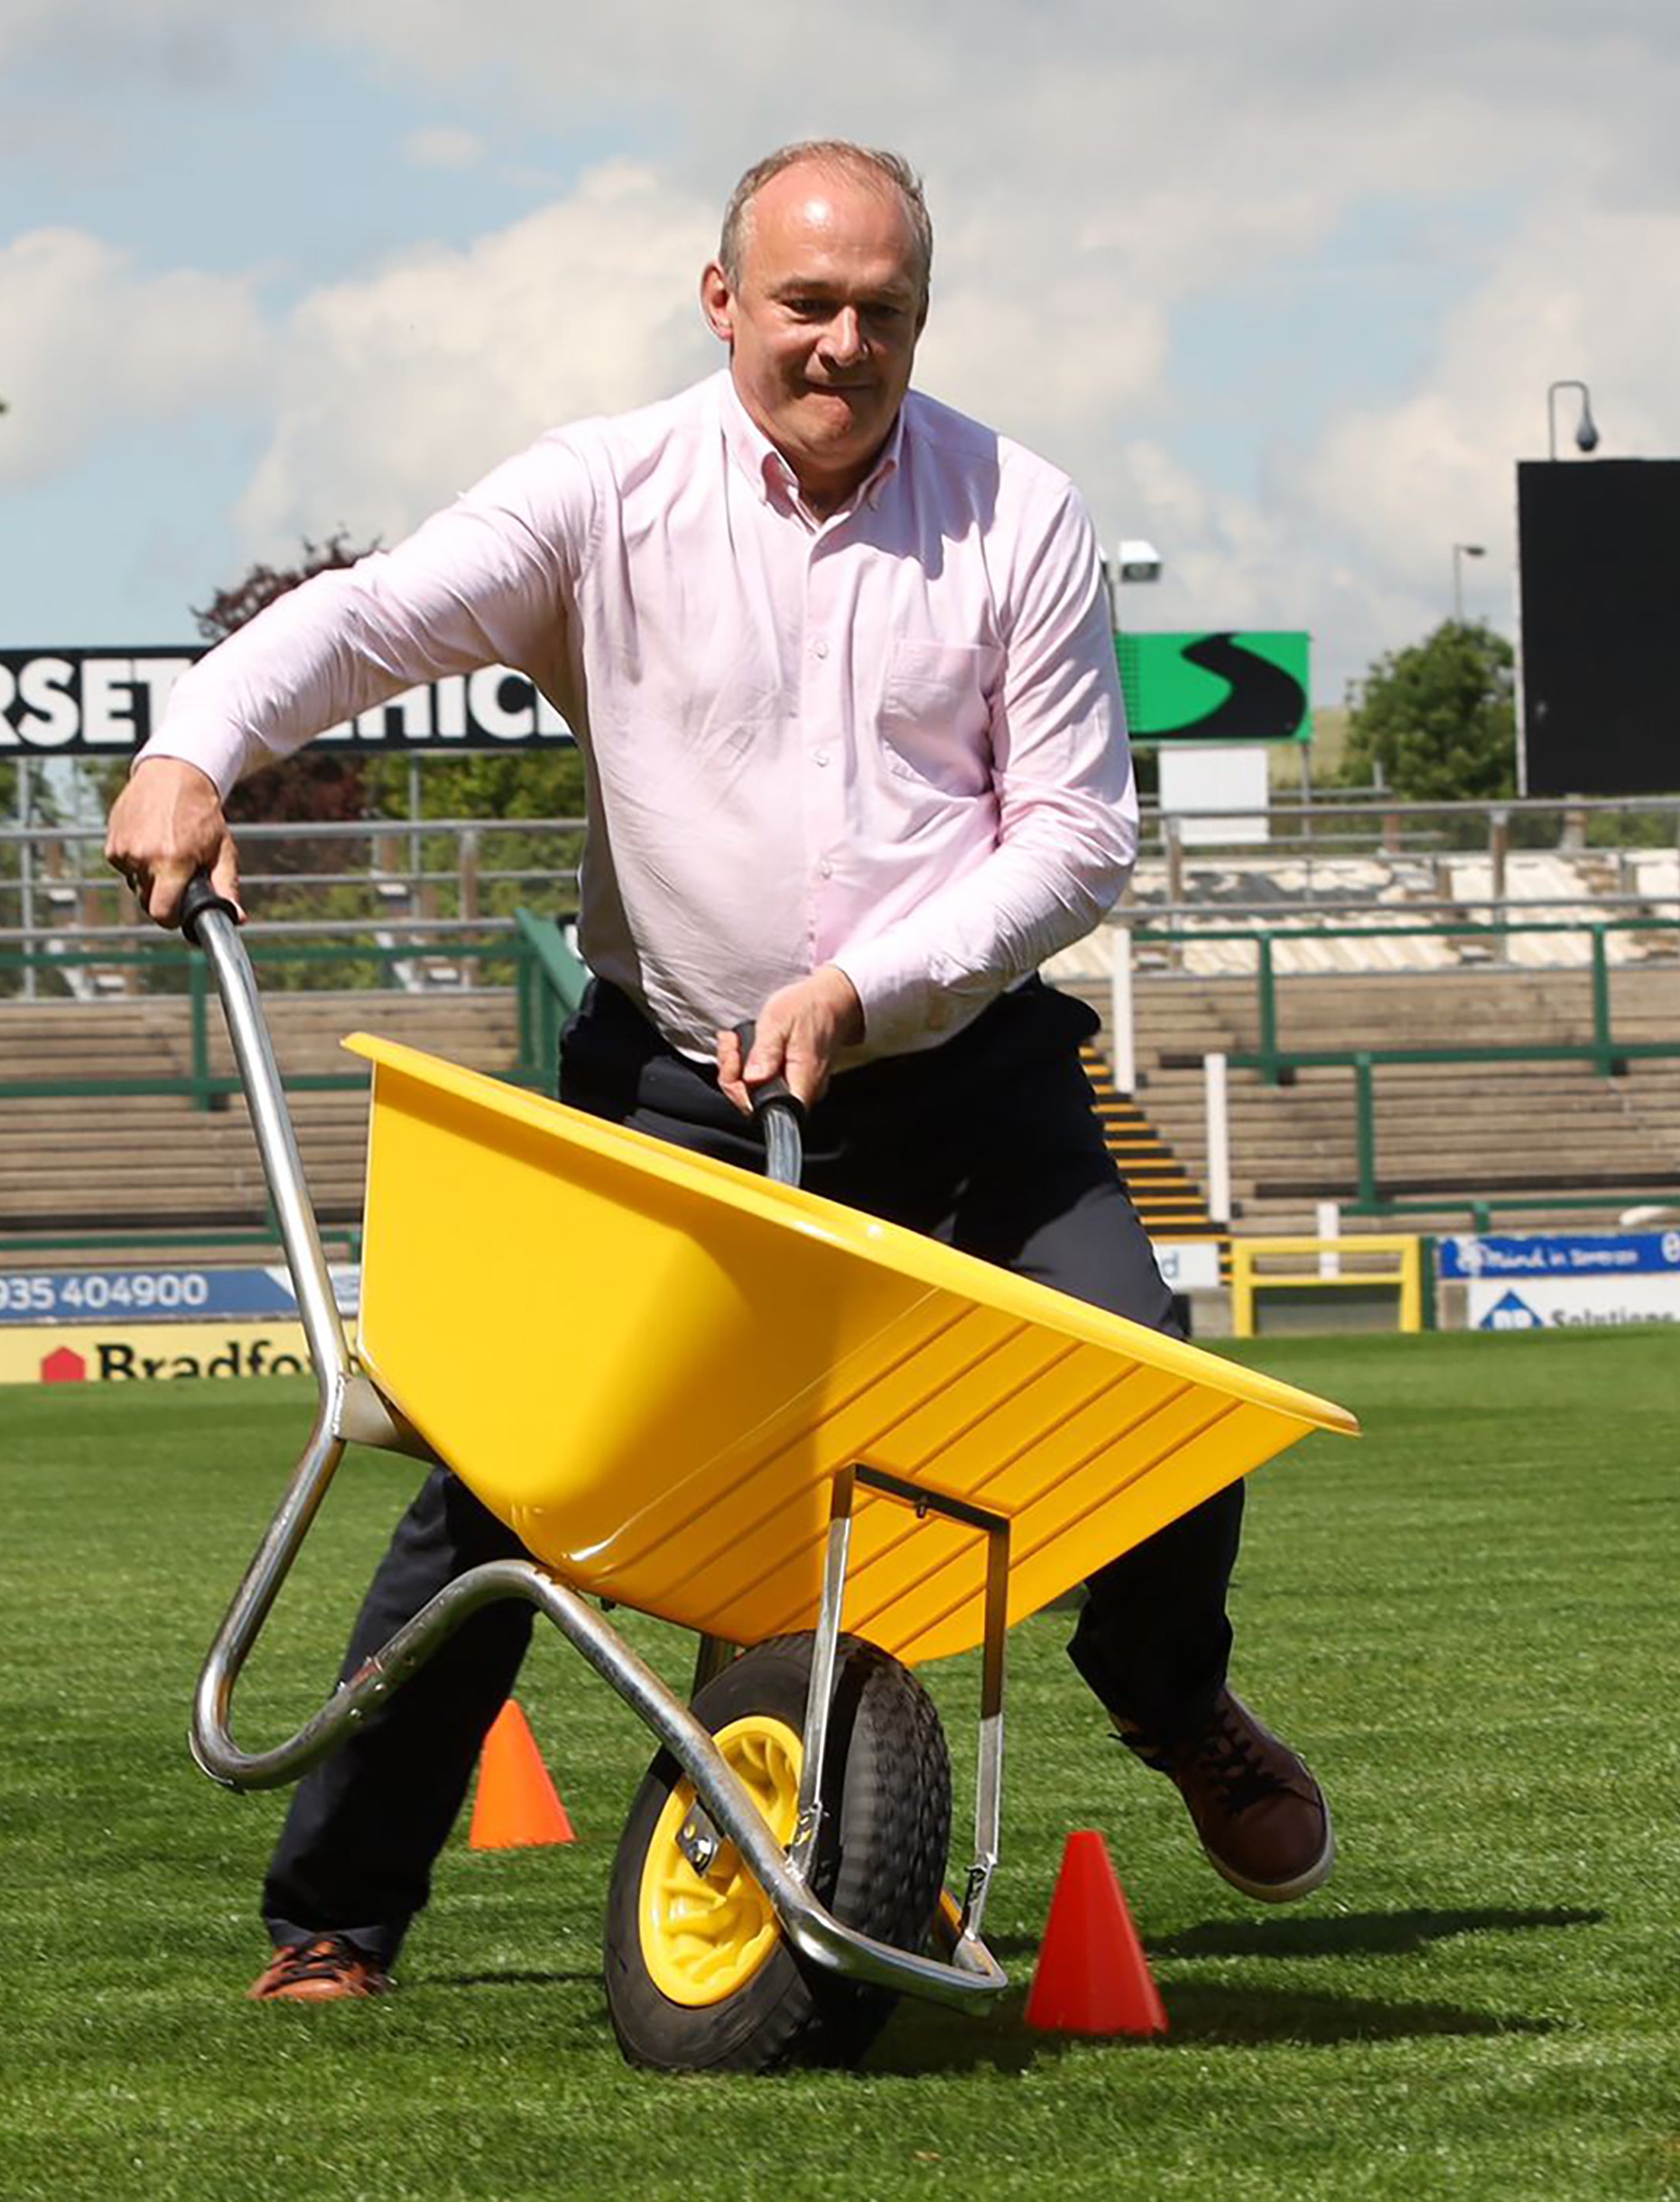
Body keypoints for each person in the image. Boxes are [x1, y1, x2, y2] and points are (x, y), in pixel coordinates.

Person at [106, 141, 1332, 2005]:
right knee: (493, 1483)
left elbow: (1077, 840)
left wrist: (862, 983)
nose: (841, 345)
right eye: (805, 305)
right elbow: (367, 615)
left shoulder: (1020, 512)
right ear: (720, 301)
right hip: (665, 1083)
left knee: (1149, 1391)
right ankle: (338, 1914)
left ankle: (1170, 1702)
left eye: (882, 313)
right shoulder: (602, 493)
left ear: (923, 316)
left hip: (964, 1091)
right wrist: (196, 748)